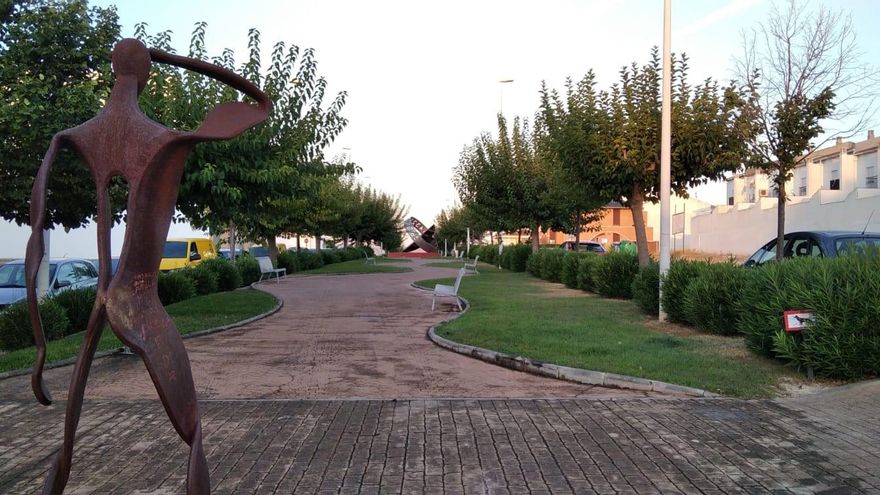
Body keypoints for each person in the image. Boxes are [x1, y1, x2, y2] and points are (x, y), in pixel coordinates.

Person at [25, 38, 271, 495]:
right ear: (146, 73)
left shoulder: (70, 138)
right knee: (192, 432)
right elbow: (259, 102)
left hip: (103, 298)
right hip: (138, 300)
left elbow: (36, 235)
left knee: (66, 447)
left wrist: (40, 355)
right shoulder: (166, 139)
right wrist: (171, 58)